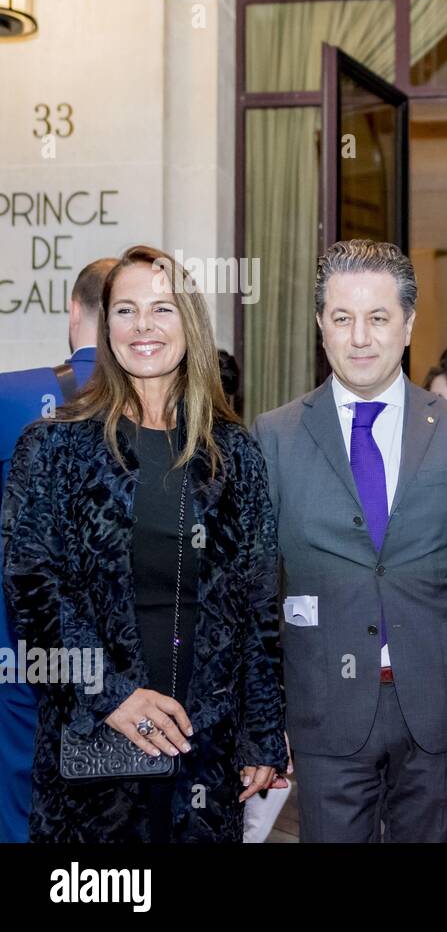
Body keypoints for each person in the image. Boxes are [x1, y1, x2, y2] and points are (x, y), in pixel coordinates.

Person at [1, 245, 288, 843]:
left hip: (205, 741)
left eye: (161, 308)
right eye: (125, 310)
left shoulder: (233, 454)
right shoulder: (53, 448)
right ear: (105, 329)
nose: (143, 327)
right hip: (97, 740)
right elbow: (33, 588)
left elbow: (259, 602)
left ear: (190, 324)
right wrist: (114, 697)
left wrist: (262, 728)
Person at [254, 239, 447, 842]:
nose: (360, 337)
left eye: (378, 318)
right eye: (342, 318)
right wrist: (260, 717)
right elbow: (253, 592)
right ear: (320, 326)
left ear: (408, 325)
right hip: (322, 712)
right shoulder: (274, 437)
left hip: (437, 714)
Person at [0, 257, 112, 843]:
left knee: (18, 814)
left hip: (15, 652)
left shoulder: (8, 395)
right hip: (125, 667)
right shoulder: (160, 408)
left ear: (74, 312)